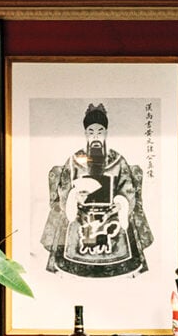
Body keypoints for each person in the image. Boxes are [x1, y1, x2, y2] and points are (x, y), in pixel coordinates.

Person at [43, 102, 151, 278]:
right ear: (85, 134)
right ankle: (72, 263)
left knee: (114, 227)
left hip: (111, 213)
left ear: (106, 133)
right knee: (77, 224)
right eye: (91, 132)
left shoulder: (118, 160)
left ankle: (122, 265)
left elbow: (128, 188)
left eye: (100, 131)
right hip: (82, 212)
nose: (95, 136)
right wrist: (74, 197)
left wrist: (120, 203)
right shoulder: (74, 160)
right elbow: (64, 188)